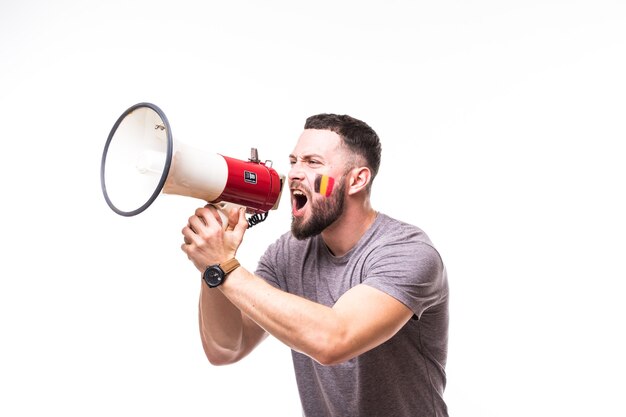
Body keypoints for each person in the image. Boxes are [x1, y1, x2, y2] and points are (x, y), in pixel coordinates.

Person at [181, 114, 449, 417]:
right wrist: (211, 268)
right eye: (293, 160)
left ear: (357, 180)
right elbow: (226, 349)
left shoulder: (406, 251)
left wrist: (225, 267)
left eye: (312, 162)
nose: (294, 172)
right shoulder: (289, 252)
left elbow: (335, 340)